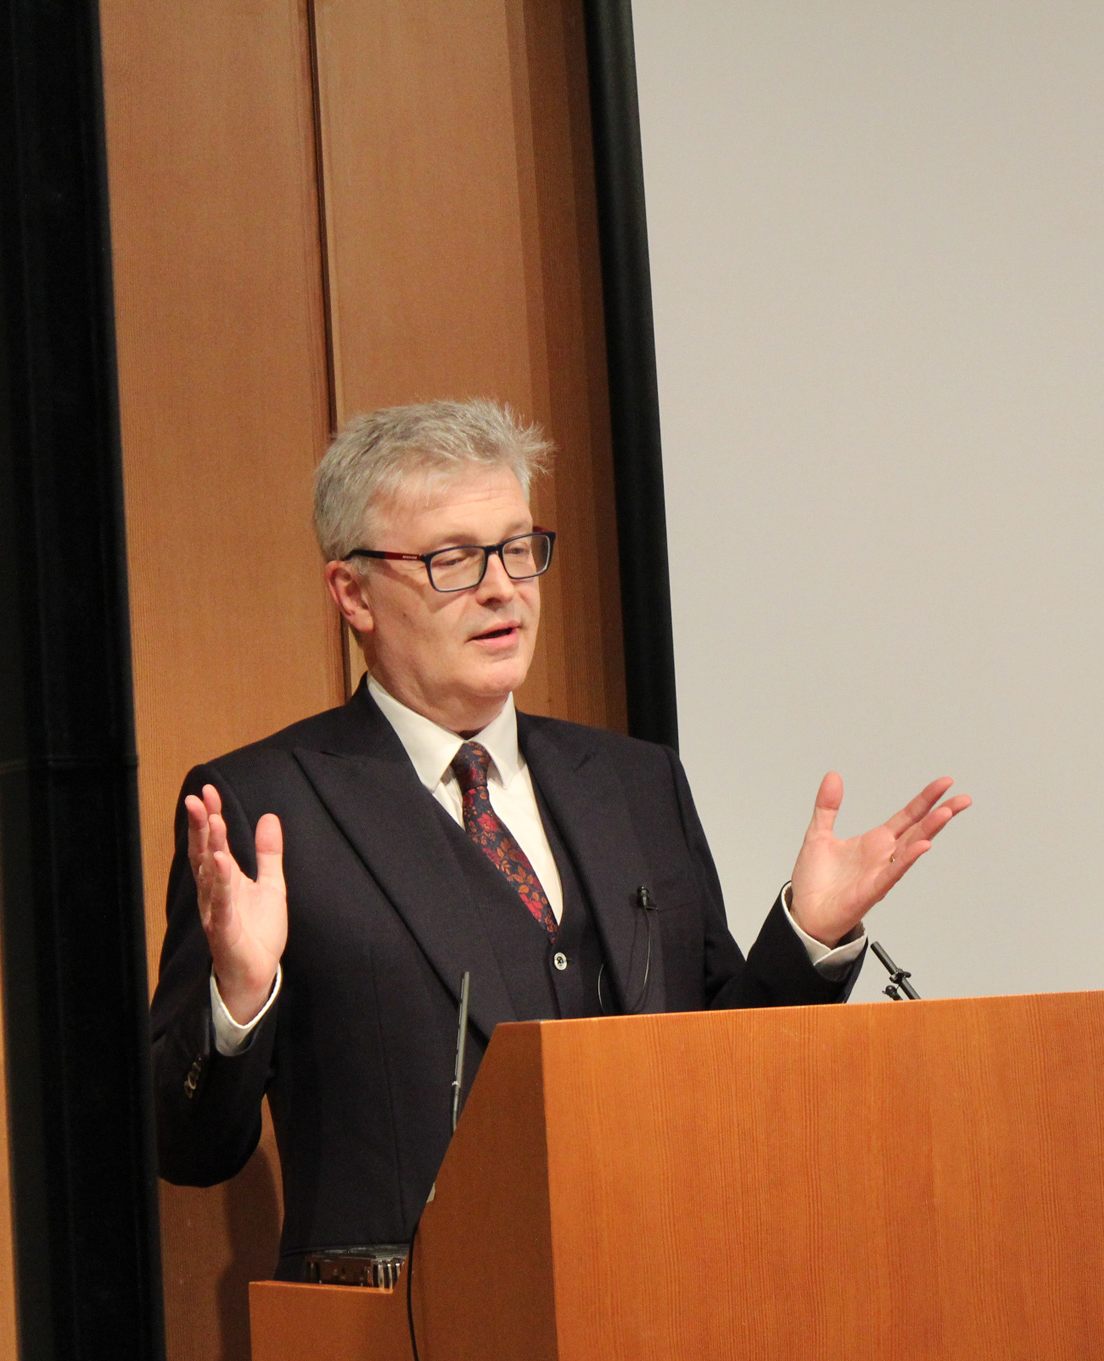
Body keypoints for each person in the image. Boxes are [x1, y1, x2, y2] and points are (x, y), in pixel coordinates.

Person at [149, 400, 968, 1276]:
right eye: (454, 560)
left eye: (516, 548)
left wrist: (807, 936)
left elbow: (720, 1074)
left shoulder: (635, 783)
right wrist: (238, 997)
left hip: (670, 1294)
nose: (502, 587)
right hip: (417, 1329)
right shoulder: (266, 807)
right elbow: (186, 1144)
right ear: (352, 593)